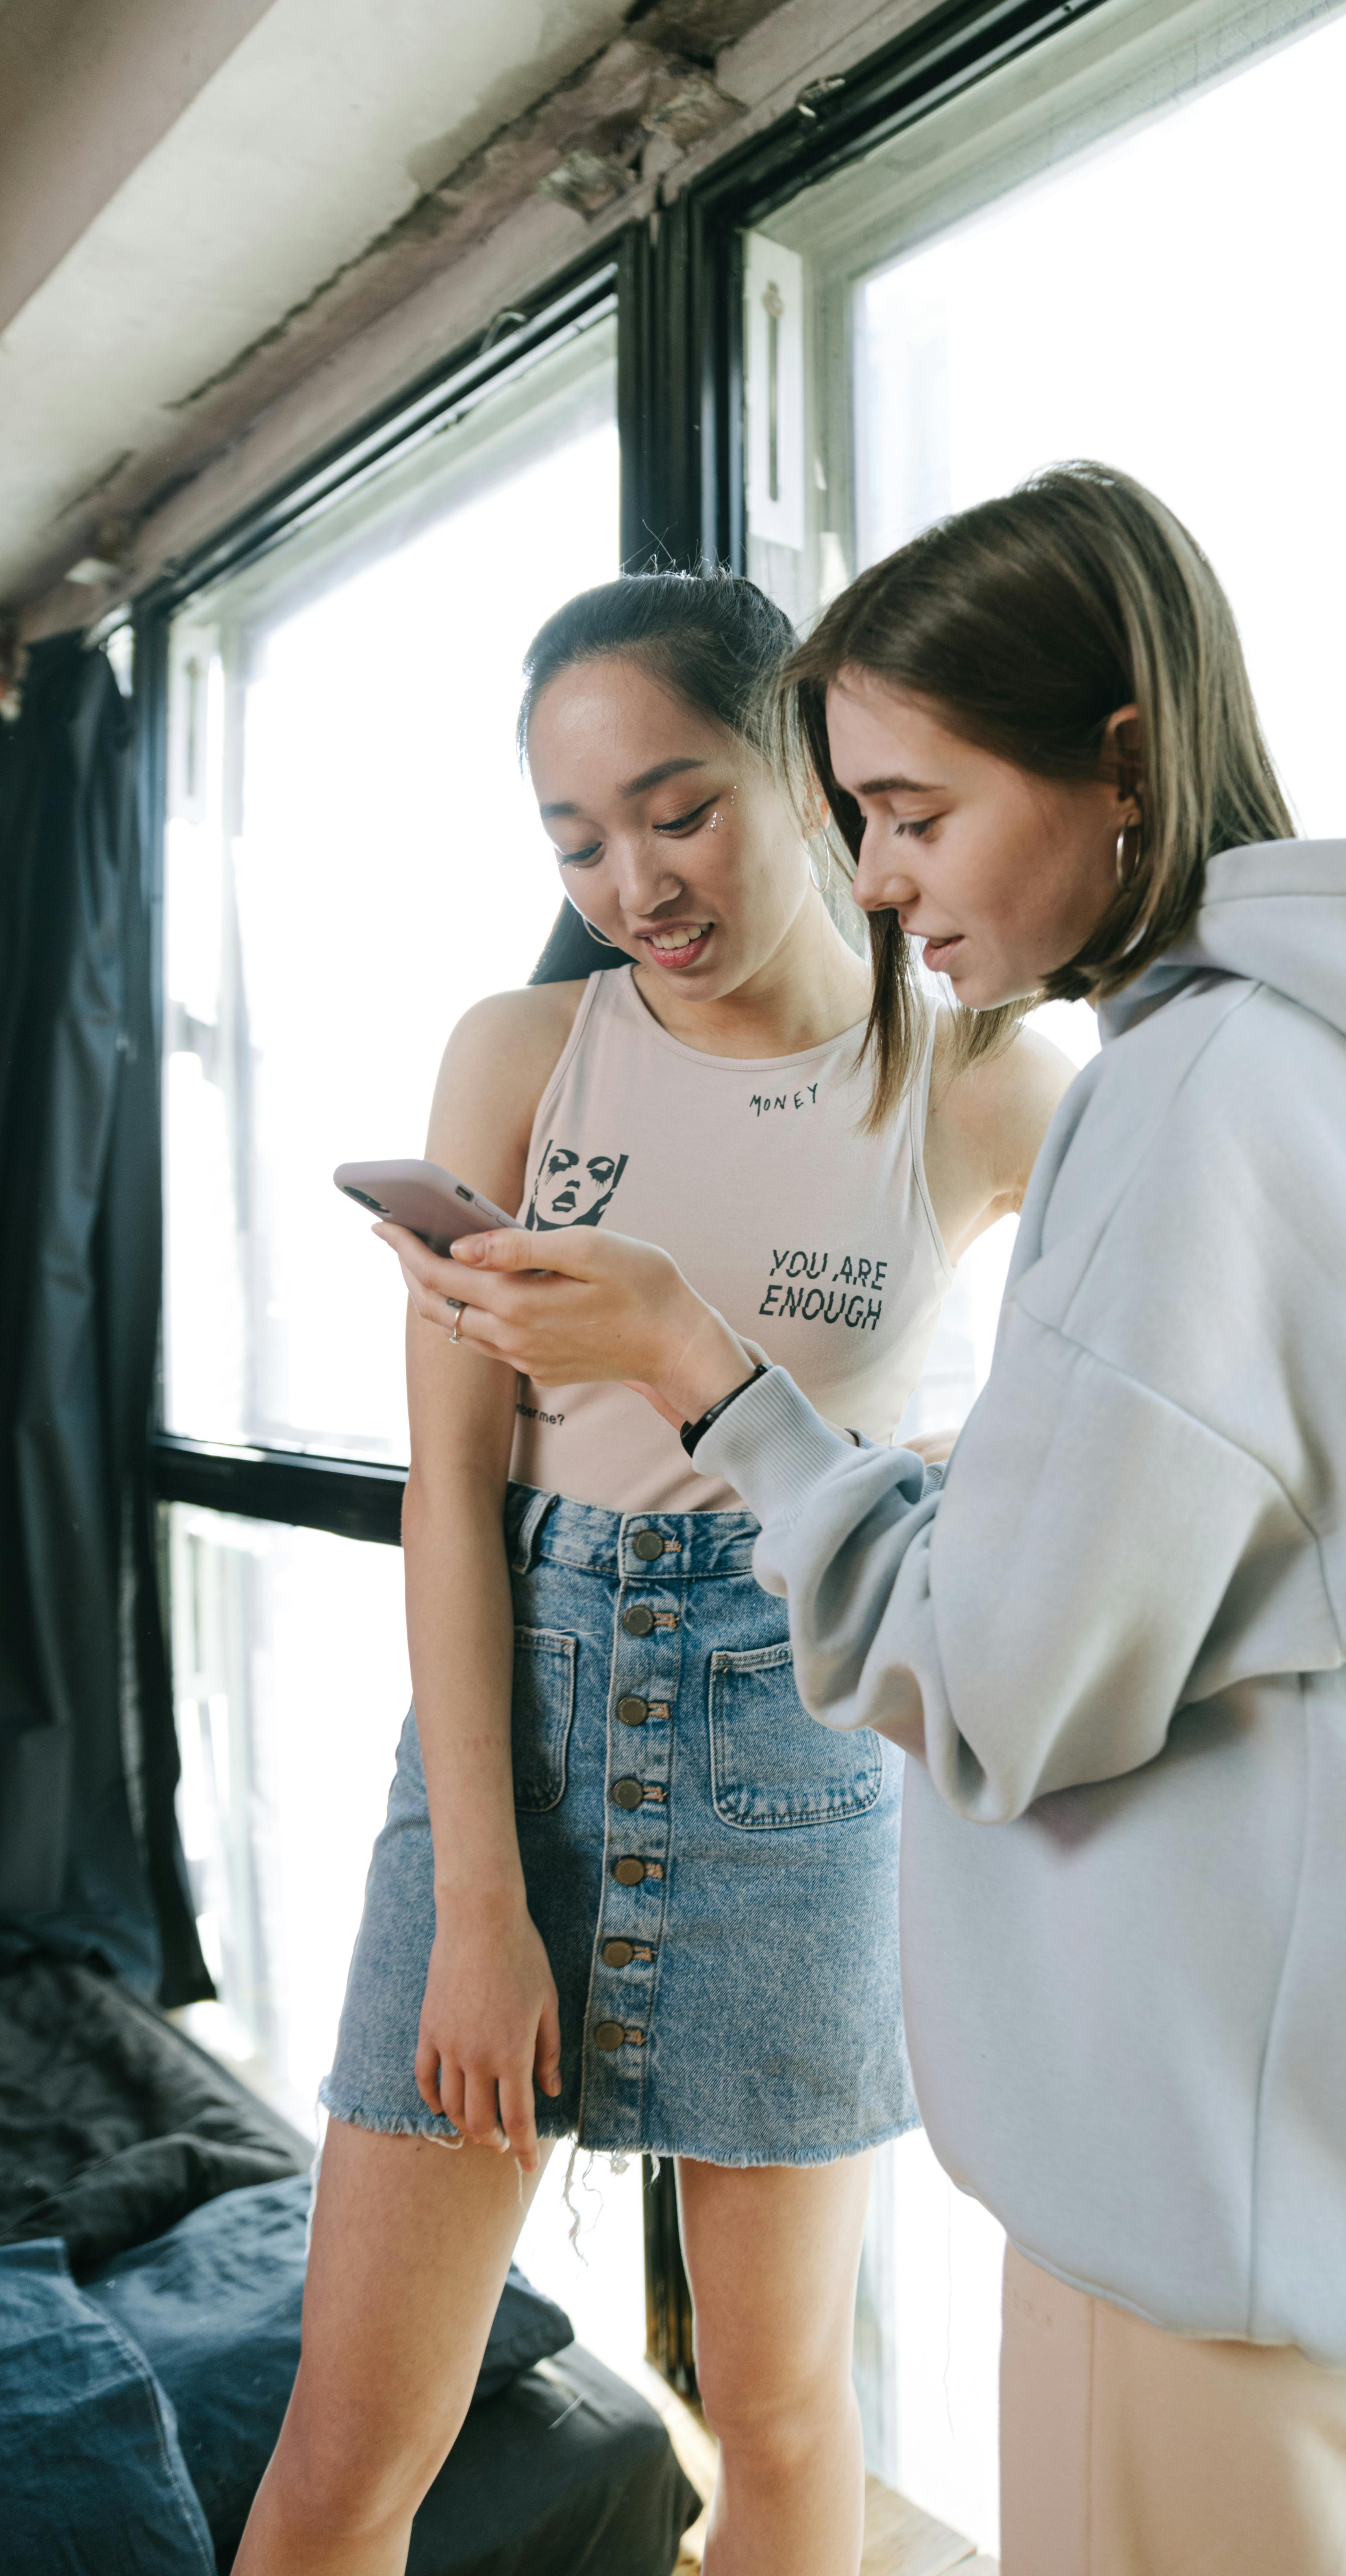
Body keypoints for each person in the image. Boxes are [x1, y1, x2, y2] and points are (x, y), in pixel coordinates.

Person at [390, 465, 1346, 2574]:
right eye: (864, 815)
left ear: (1123, 764)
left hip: (1219, 2162)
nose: (882, 879)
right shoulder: (1318, 1075)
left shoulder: (1185, 1107)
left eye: (909, 810)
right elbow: (1201, 1550)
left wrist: (706, 1370)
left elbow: (1003, 1682)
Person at [235, 569, 1069, 2576]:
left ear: (806, 770)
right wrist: (478, 1905)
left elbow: (1127, 1407)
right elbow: (450, 1498)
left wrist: (954, 1464)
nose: (633, 878)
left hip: (801, 1762)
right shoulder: (524, 1057)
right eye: (575, 836)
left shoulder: (975, 1079)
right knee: (349, 2458)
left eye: (677, 808)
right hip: (506, 1732)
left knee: (779, 2423)